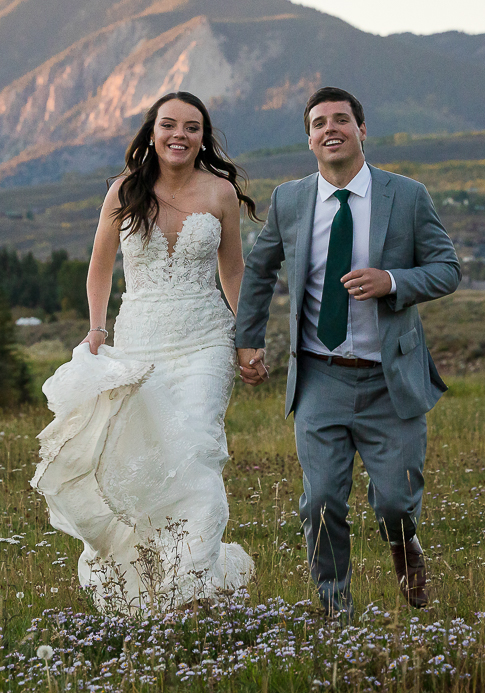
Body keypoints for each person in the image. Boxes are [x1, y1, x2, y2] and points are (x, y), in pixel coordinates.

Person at [235, 86, 460, 619]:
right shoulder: (288, 200)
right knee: (320, 503)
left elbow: (447, 269)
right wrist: (247, 339)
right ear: (309, 137)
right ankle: (335, 611)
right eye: (319, 122)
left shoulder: (406, 196)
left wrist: (392, 280)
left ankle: (405, 545)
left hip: (390, 379)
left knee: (395, 504)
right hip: (320, 377)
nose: (330, 128)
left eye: (342, 119)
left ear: (362, 130)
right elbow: (260, 269)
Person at [31, 91, 258, 614]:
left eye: (193, 127)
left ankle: (192, 590)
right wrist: (95, 328)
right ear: (152, 134)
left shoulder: (220, 192)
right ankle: (149, 583)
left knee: (197, 450)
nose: (180, 134)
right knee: (148, 458)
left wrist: (247, 337)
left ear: (204, 137)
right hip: (140, 342)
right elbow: (100, 267)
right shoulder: (124, 191)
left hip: (205, 340)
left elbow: (233, 271)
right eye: (169, 125)